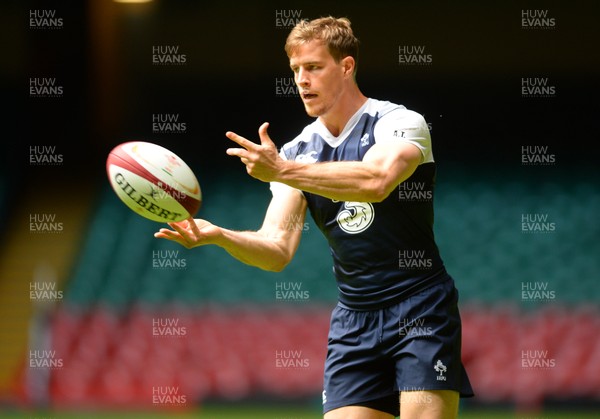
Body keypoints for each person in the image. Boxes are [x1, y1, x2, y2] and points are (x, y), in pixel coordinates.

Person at [155, 16, 473, 419]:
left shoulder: (399, 123)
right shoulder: (296, 150)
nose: (302, 80)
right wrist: (218, 235)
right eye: (295, 70)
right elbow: (276, 250)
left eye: (313, 67)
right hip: (353, 319)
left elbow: (376, 181)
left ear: (346, 66)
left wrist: (283, 171)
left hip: (420, 307)